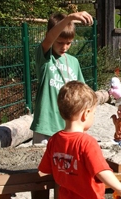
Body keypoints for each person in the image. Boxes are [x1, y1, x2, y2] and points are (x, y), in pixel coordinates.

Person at [37, 81, 121, 199]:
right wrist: (120, 187)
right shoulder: (87, 143)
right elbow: (102, 172)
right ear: (85, 114)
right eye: (93, 113)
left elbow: (45, 170)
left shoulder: (54, 140)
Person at [30, 11, 94, 145]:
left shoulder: (73, 62)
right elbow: (48, 39)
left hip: (69, 127)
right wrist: (70, 18)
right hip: (46, 127)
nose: (64, 47)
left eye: (68, 43)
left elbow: (84, 93)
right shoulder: (45, 59)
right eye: (60, 42)